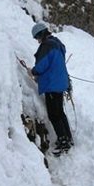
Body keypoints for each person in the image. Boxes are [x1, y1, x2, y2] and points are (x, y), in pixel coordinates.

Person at [30, 22, 73, 156]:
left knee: (54, 115)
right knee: (60, 113)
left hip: (52, 85)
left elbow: (42, 65)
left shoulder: (46, 46)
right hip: (60, 83)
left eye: (37, 37)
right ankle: (68, 138)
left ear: (40, 34)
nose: (37, 41)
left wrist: (34, 71)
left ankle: (63, 141)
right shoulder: (57, 44)